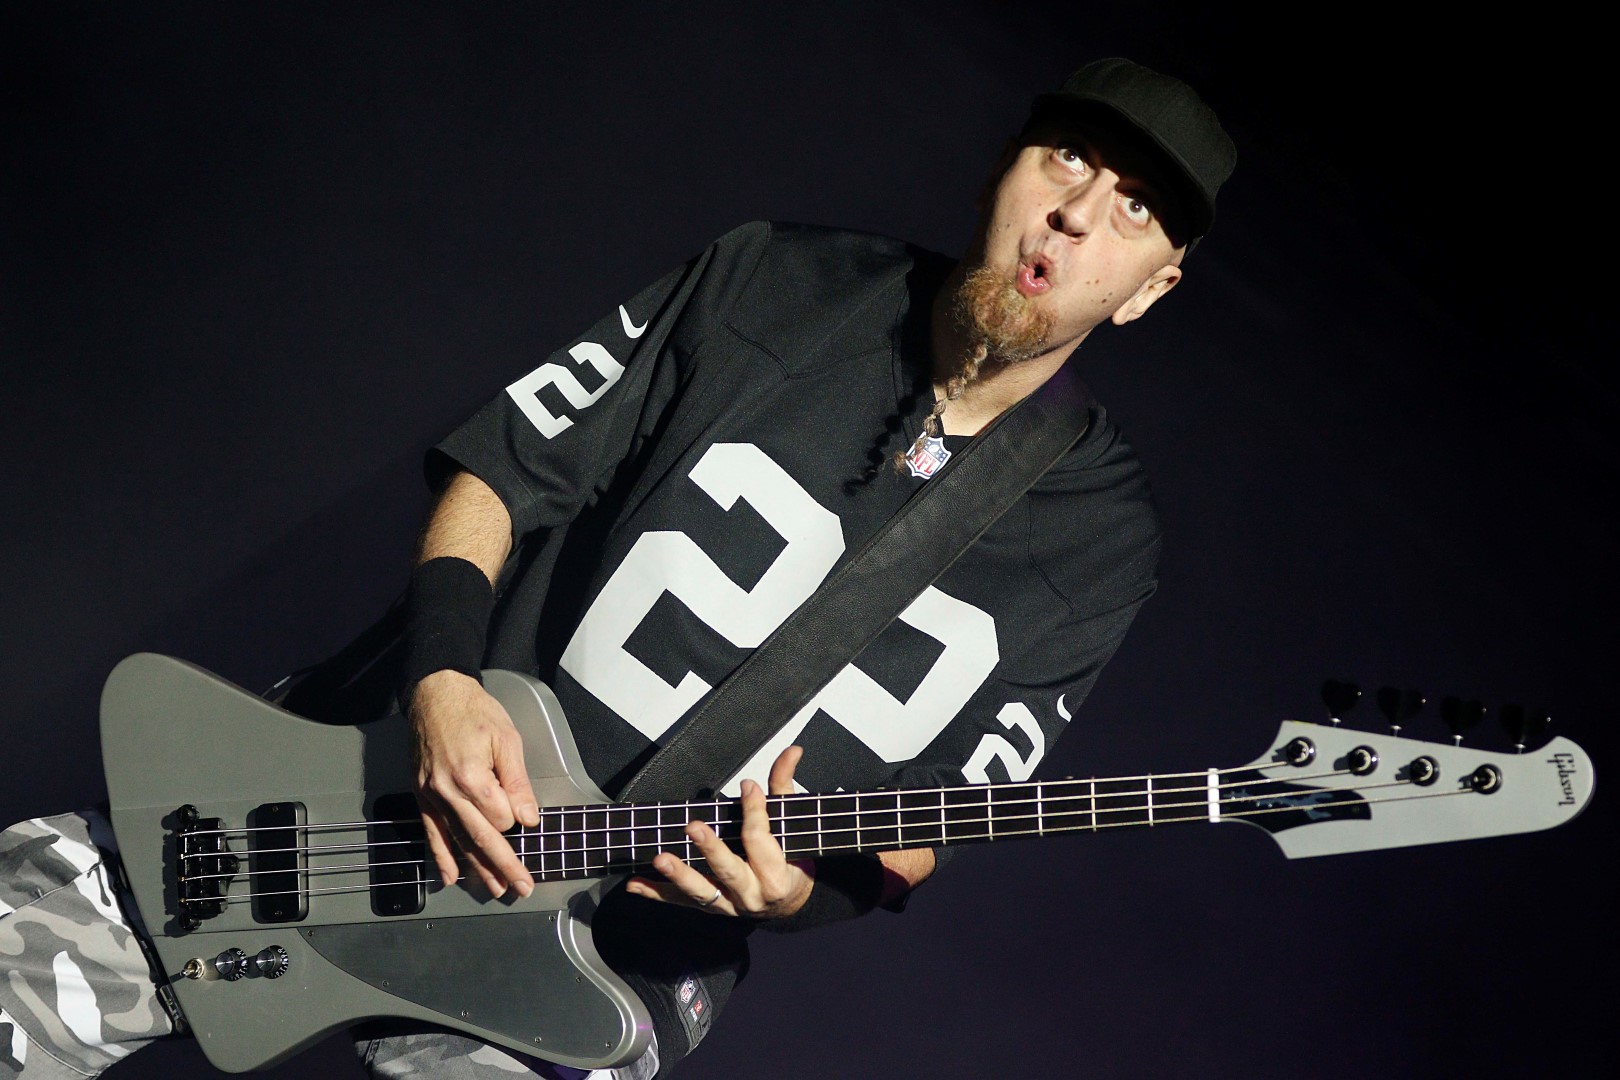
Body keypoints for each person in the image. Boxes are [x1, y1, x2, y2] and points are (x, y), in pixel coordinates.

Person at [0, 57, 1234, 1080]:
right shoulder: (775, 282)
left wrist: (789, 898)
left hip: (602, 964)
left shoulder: (1101, 546)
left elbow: (924, 831)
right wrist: (442, 682)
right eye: (1068, 159)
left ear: (1153, 290)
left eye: (1137, 210)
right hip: (337, 790)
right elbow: (504, 469)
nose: (1080, 214)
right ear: (1005, 169)